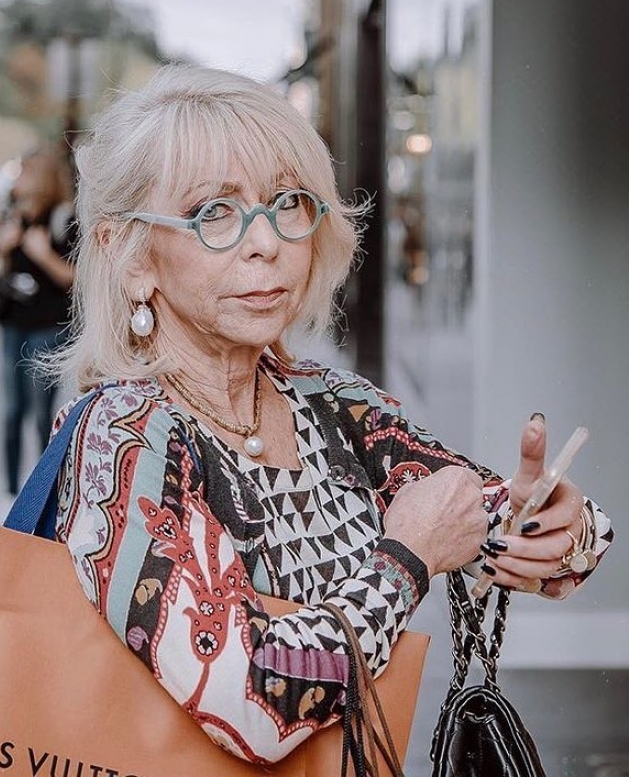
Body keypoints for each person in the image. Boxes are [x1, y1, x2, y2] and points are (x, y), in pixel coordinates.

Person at [46, 66, 613, 765]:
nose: (266, 241)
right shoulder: (123, 438)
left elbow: (479, 516)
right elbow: (252, 700)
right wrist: (405, 559)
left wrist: (552, 523)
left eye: (287, 203)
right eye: (214, 213)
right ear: (130, 256)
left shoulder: (333, 403)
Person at [0, 147, 77, 496]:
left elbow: (76, 278)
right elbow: (4, 273)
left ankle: (43, 492)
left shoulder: (63, 219)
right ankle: (10, 491)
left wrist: (44, 255)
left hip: (49, 324)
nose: (19, 180)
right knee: (13, 410)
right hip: (14, 322)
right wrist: (3, 249)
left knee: (44, 414)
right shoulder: (15, 217)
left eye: (26, 172)